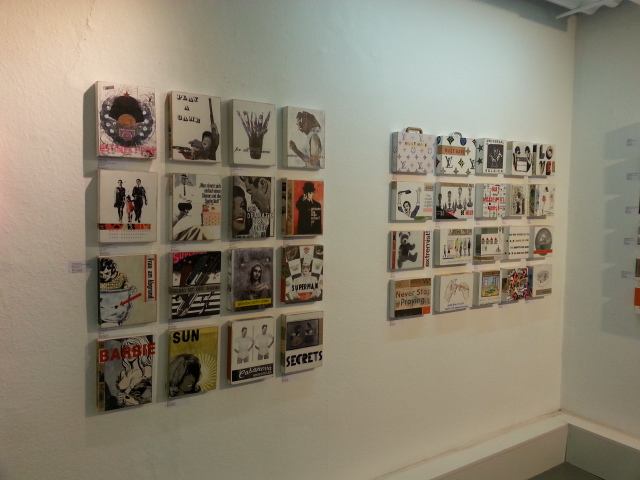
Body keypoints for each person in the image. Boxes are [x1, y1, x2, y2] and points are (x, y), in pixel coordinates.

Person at [115, 336, 153, 407]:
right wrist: (119, 401)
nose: (129, 353)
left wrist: (137, 402)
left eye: (133, 350)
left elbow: (153, 396)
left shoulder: (146, 369)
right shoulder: (123, 373)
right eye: (126, 350)